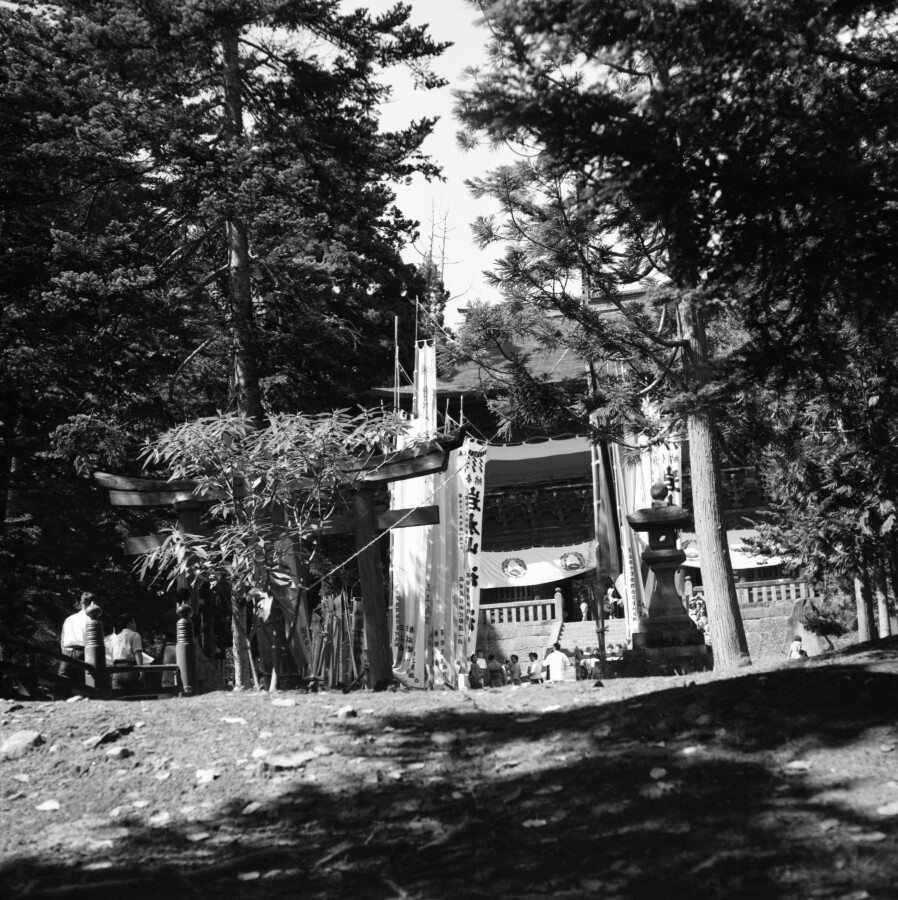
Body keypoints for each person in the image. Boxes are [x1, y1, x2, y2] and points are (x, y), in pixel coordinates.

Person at [59, 592, 99, 683]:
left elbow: (62, 640)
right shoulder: (91, 619)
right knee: (84, 685)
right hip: (82, 654)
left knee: (63, 684)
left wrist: (64, 653)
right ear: (94, 603)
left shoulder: (69, 619)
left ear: (81, 603)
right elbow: (92, 642)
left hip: (66, 653)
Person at [161, 588, 192, 687]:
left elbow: (163, 634)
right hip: (185, 649)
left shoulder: (168, 615)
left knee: (167, 679)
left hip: (170, 648)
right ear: (188, 600)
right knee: (186, 678)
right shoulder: (190, 616)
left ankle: (166, 696)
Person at [109, 614, 143, 690]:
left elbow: (112, 656)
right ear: (129, 623)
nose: (135, 624)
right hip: (131, 669)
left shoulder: (114, 638)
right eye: (134, 622)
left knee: (119, 696)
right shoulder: (135, 635)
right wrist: (142, 670)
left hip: (117, 672)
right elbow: (138, 653)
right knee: (136, 695)